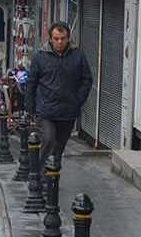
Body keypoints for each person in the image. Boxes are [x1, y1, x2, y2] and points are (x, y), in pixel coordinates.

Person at [26, 22, 94, 167]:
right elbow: (31, 82)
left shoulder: (78, 56)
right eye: (56, 38)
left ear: (68, 38)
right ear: (50, 38)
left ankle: (52, 180)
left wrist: (78, 100)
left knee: (59, 149)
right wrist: (30, 107)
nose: (59, 42)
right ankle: (38, 174)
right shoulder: (41, 57)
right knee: (49, 140)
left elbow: (87, 79)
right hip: (46, 111)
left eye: (63, 38)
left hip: (68, 111)